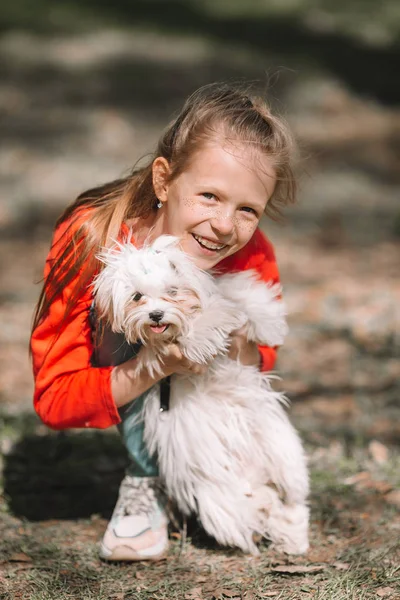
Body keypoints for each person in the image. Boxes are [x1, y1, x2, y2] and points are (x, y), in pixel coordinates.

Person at [30, 83, 297, 561]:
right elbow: (55, 399)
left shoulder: (250, 253)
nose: (223, 225)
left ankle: (223, 471)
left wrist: (226, 340)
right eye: (209, 196)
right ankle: (146, 476)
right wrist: (157, 366)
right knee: (124, 300)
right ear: (163, 181)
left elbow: (262, 358)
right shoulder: (92, 237)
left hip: (209, 398)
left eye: (247, 210)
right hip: (132, 375)